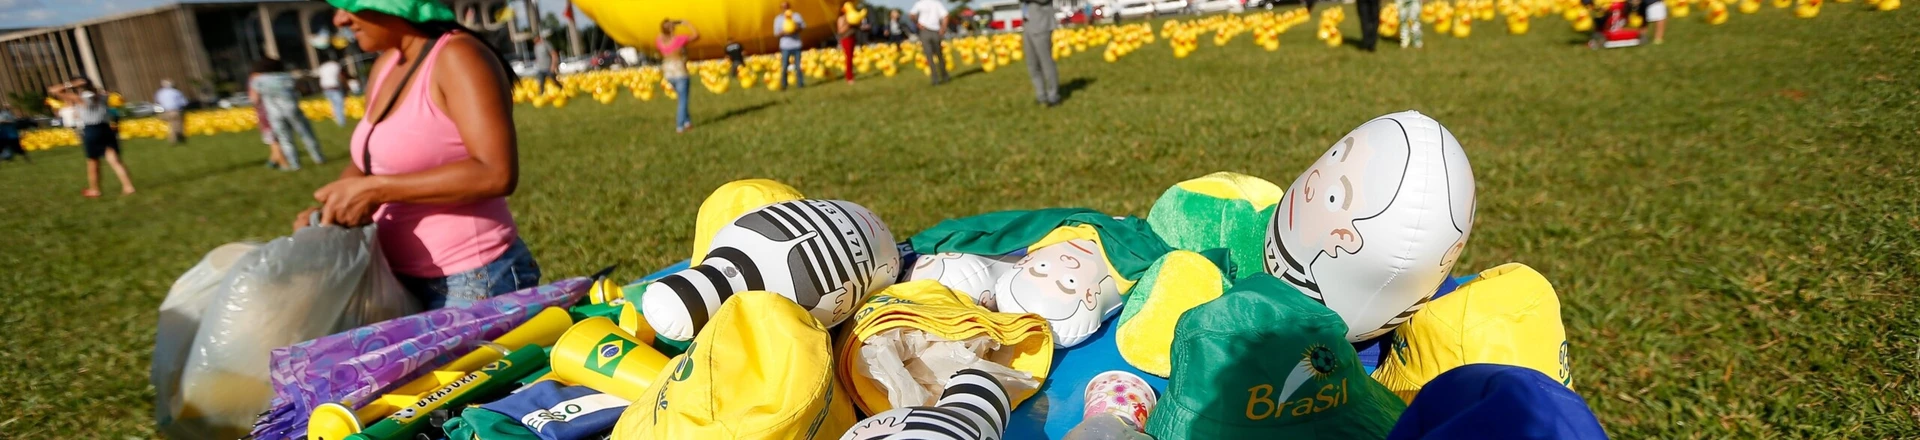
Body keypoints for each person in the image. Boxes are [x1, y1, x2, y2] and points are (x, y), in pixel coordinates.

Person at [301, 0, 540, 309]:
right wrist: (330, 211)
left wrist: (376, 190)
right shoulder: (386, 65)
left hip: (474, 279)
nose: (340, 20)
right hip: (396, 277)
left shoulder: (459, 57)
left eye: (349, 6)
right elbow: (369, 161)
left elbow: (496, 172)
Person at [47, 78, 135, 197]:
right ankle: (128, 186)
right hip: (106, 129)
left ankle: (95, 189)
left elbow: (54, 91)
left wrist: (70, 84)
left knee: (93, 161)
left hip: (92, 130)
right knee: (114, 160)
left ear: (78, 87)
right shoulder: (102, 96)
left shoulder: (79, 99)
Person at [250, 57, 325, 170]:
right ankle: (318, 158)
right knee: (306, 135)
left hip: (274, 113)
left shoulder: (258, 81)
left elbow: (255, 99)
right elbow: (302, 89)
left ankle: (295, 164)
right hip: (293, 110)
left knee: (285, 139)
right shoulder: (287, 77)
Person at [659, 19, 700, 133]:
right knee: (683, 100)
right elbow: (696, 35)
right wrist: (687, 24)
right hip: (679, 70)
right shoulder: (679, 39)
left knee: (681, 98)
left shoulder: (660, 40)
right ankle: (680, 126)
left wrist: (667, 26)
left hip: (667, 71)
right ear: (672, 29)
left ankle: (687, 122)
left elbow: (662, 33)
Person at [1022, 0, 1060, 106]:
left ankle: (1053, 96)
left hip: (1041, 24)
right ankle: (1041, 95)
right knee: (1032, 63)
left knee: (1046, 62)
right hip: (1028, 24)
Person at [911, 0, 950, 86]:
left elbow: (912, 15)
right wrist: (943, 28)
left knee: (929, 56)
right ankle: (944, 76)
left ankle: (935, 79)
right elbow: (945, 15)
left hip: (925, 31)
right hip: (935, 31)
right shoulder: (937, 3)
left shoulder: (920, 4)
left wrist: (917, 23)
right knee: (939, 54)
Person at [774, 2, 807, 90]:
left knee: (798, 66)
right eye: (783, 7)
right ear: (781, 8)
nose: (785, 9)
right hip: (785, 46)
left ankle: (800, 84)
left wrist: (795, 28)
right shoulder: (778, 19)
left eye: (787, 7)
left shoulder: (796, 16)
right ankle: (784, 85)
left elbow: (803, 26)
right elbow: (776, 33)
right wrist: (785, 32)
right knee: (784, 66)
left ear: (790, 7)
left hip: (796, 45)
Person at [316, 57, 352, 125]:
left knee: (333, 104)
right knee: (339, 105)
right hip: (334, 87)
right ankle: (341, 122)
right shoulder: (335, 65)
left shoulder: (323, 66)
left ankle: (337, 119)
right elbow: (340, 76)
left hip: (325, 88)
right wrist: (346, 86)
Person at [154, 79, 190, 144]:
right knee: (177, 125)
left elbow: (157, 103)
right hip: (175, 111)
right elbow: (184, 103)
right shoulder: (176, 92)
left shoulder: (160, 93)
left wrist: (158, 112)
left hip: (165, 111)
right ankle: (176, 139)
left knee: (171, 125)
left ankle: (176, 139)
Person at [836, 2, 859, 84]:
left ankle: (850, 74)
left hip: (852, 37)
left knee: (851, 57)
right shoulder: (841, 18)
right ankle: (849, 77)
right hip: (846, 39)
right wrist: (848, 24)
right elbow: (840, 30)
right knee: (848, 58)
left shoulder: (851, 16)